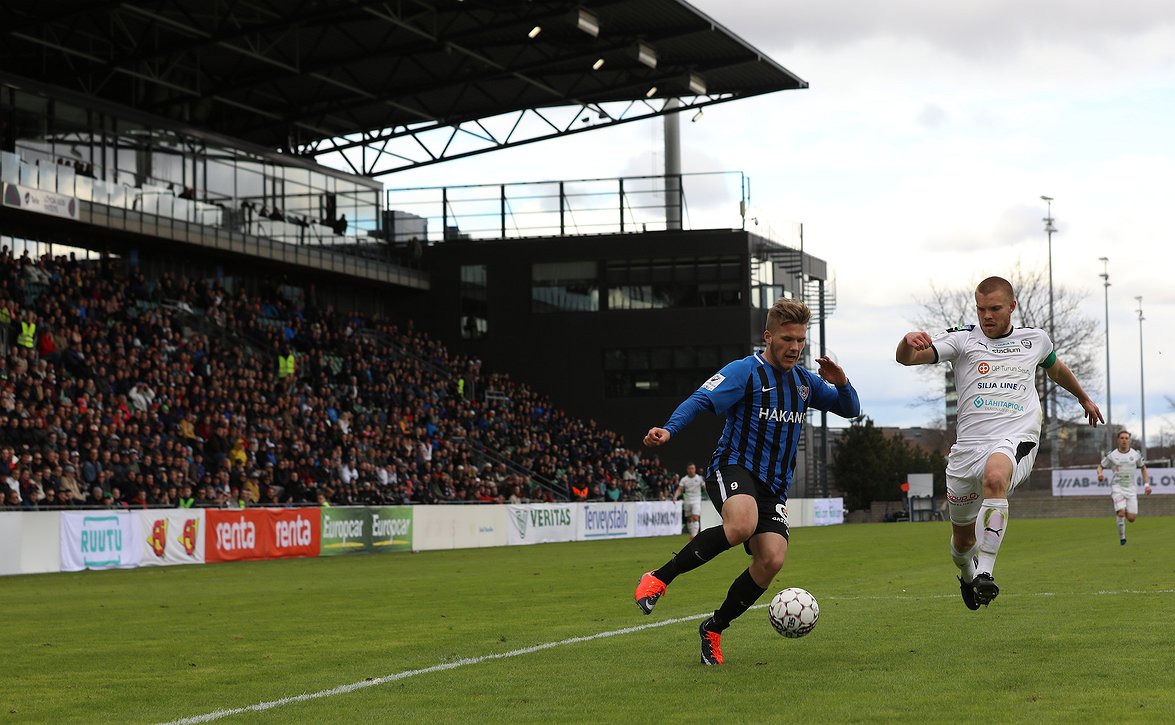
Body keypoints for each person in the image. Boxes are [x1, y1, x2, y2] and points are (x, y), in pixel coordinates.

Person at [633, 297, 860, 665]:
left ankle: (714, 628)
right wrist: (670, 431)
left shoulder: (804, 382)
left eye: (801, 340)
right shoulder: (745, 371)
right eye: (788, 339)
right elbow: (700, 400)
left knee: (771, 559)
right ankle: (658, 578)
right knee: (741, 525)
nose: (795, 348)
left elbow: (850, 409)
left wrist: (843, 382)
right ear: (768, 336)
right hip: (733, 467)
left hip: (772, 487)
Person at [896, 275, 1102, 610]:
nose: (986, 316)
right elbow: (908, 359)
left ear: (1012, 306)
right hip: (966, 451)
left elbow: (1056, 369)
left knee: (995, 477)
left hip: (1014, 437)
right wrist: (907, 342)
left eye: (994, 308)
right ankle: (968, 572)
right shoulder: (962, 340)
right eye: (981, 309)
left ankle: (985, 575)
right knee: (963, 543)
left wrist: (1084, 399)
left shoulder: (1034, 340)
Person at [1097, 430, 1150, 545]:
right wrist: (1100, 474)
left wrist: (1147, 485)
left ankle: (1122, 509)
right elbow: (1100, 466)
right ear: (1118, 440)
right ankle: (1122, 537)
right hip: (1117, 487)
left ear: (1129, 440)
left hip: (1131, 489)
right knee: (1121, 513)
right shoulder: (1112, 455)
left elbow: (1143, 468)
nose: (1124, 440)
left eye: (1126, 438)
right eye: (1122, 438)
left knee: (1131, 518)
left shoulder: (1136, 455)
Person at [673, 462, 706, 538]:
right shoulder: (684, 479)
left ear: (695, 469)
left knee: (695, 517)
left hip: (696, 499)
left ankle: (694, 536)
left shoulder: (699, 478)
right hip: (687, 500)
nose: (691, 470)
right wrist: (675, 496)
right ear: (687, 470)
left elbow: (705, 487)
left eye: (693, 468)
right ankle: (692, 534)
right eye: (690, 468)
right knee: (689, 519)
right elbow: (679, 489)